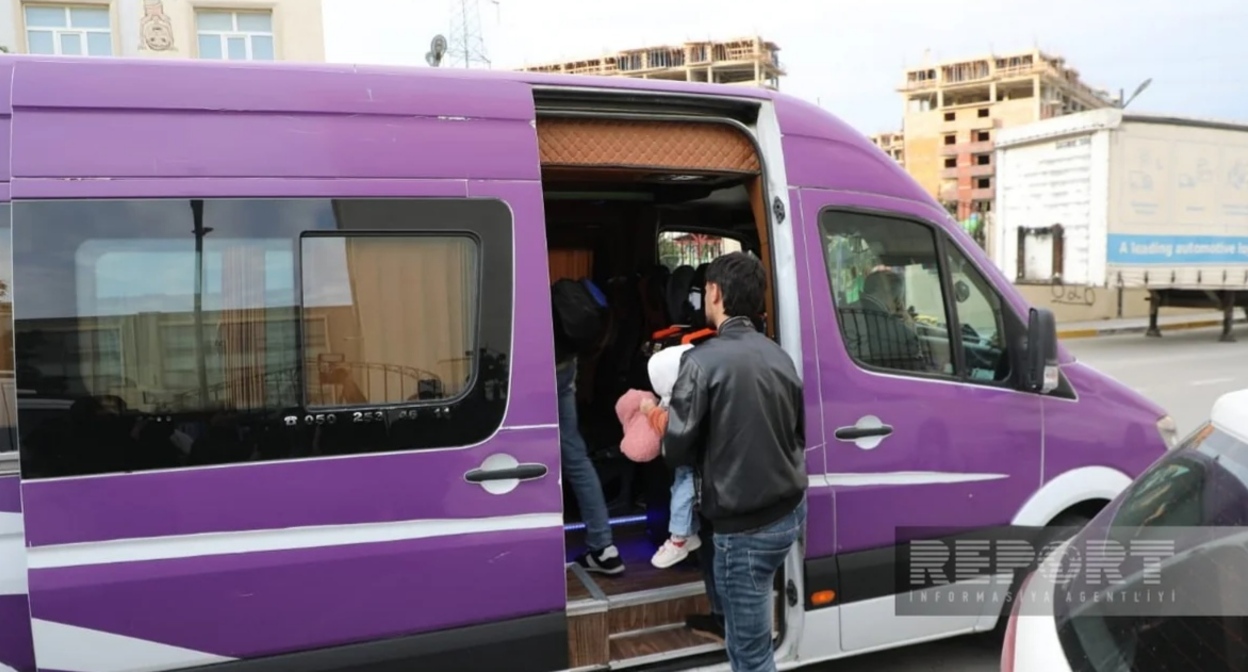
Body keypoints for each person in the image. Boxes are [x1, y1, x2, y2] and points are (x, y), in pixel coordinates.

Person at [663, 252, 806, 672]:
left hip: (742, 528)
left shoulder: (700, 360)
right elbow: (796, 435)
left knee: (750, 655)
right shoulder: (780, 356)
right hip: (787, 513)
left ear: (714, 292)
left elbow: (677, 449)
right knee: (753, 629)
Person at [554, 283, 624, 576]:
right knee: (576, 457)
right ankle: (603, 546)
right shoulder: (584, 296)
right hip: (564, 367)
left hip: (537, 367)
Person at [614, 344, 701, 569]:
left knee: (684, 495)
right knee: (679, 492)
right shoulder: (689, 394)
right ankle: (689, 533)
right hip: (687, 461)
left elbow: (672, 428)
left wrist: (651, 412)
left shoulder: (689, 403)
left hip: (696, 462)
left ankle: (679, 539)